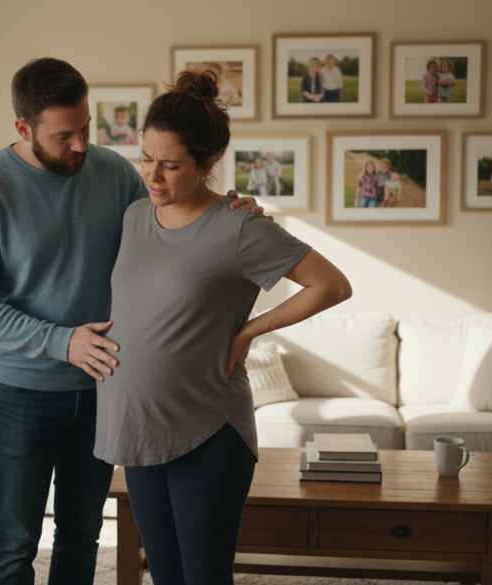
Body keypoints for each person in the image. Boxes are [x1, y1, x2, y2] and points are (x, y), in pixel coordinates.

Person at [0, 57, 263, 585]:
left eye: (86, 128)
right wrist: (61, 341)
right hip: (24, 392)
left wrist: (229, 213)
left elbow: (172, 229)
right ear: (23, 129)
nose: (80, 145)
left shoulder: (114, 174)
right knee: (14, 539)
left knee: (83, 533)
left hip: (107, 390)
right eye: (63, 134)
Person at [94, 69, 352, 585]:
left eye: (171, 165)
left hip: (208, 431)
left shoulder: (239, 227)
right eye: (145, 158)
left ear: (208, 162)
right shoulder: (134, 218)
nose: (153, 176)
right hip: (138, 427)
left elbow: (332, 285)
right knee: (164, 574)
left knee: (205, 577)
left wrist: (249, 331)